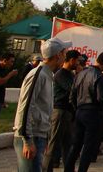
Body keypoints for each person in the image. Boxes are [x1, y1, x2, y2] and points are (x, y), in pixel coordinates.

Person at [13, 38, 71, 172]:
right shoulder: (38, 75)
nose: (65, 57)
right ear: (58, 55)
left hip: (38, 135)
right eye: (64, 53)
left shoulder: (48, 75)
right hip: (30, 136)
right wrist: (27, 141)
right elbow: (26, 107)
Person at [64, 52, 103, 172]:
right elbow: (100, 98)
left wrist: (77, 109)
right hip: (92, 112)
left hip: (80, 111)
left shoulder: (80, 73)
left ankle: (68, 169)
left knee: (76, 145)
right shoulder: (100, 77)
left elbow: (72, 95)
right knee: (88, 147)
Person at [44, 50, 79, 172]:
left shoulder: (71, 74)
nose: (79, 63)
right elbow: (71, 90)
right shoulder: (60, 74)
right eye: (78, 60)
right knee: (53, 144)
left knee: (68, 144)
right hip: (59, 110)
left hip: (68, 112)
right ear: (72, 60)